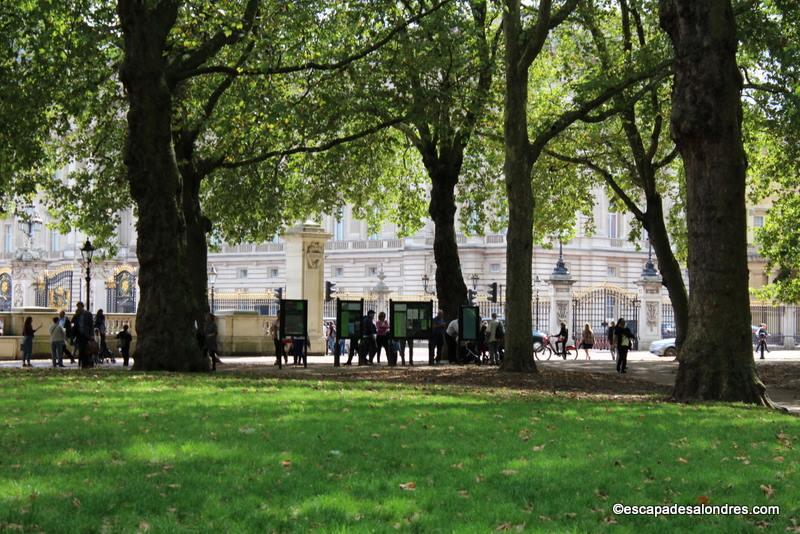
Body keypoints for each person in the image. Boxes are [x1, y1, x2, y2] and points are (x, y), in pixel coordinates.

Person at [72, 302, 93, 368]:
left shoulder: (88, 314)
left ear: (82, 307)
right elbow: (72, 322)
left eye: (79, 307)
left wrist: (91, 335)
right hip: (79, 334)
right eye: (78, 307)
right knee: (81, 349)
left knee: (86, 350)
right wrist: (75, 315)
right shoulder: (77, 315)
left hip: (86, 334)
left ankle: (85, 363)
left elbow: (91, 325)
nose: (78, 308)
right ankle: (82, 363)